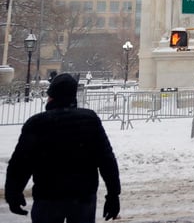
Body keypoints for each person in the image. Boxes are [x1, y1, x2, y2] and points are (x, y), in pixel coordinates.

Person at [5, 73, 121, 222]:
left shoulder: (37, 123)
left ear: (51, 96)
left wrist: (13, 193)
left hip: (48, 195)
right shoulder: (90, 120)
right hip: (82, 196)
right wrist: (113, 194)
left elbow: (20, 163)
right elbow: (106, 160)